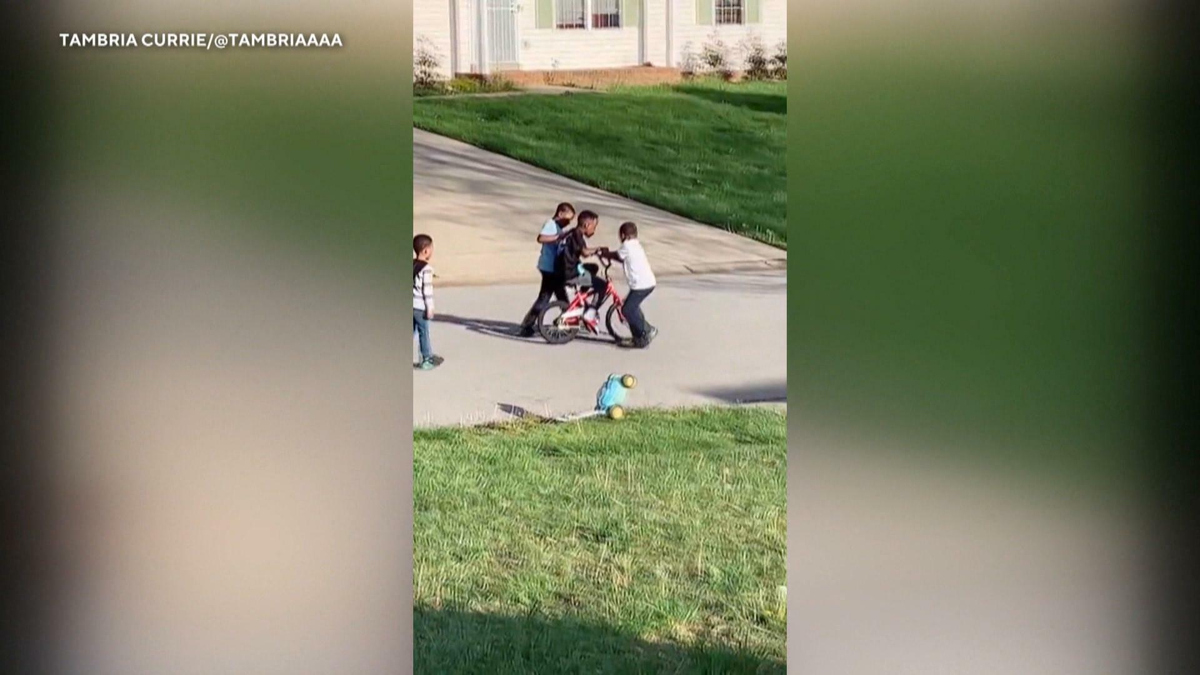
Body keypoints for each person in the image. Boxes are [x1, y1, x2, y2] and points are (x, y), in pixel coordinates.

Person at [518, 202, 575, 337]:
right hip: (549, 268)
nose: (568, 222)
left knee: (560, 298)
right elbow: (541, 238)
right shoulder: (551, 224)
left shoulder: (558, 227)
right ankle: (527, 325)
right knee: (545, 298)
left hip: (554, 268)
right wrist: (559, 237)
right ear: (560, 214)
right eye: (567, 219)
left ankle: (568, 321)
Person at [603, 222, 658, 348]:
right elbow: (621, 257)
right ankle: (638, 338)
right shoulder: (635, 244)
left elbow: (618, 255)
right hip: (645, 283)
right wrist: (607, 254)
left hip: (641, 285)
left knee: (627, 310)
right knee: (631, 308)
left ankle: (646, 331)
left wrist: (605, 253)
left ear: (623, 235)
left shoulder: (626, 245)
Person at [557, 210, 608, 320]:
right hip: (570, 272)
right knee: (602, 285)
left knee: (593, 267)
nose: (594, 230)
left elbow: (582, 253)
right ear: (586, 225)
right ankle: (591, 312)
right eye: (594, 227)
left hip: (565, 268)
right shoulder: (577, 235)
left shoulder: (571, 232)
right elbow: (585, 252)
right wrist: (599, 249)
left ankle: (581, 297)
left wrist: (596, 253)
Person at [413, 234, 443, 370]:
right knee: (423, 332)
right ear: (425, 251)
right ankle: (426, 359)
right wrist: (430, 308)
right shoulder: (426, 270)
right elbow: (427, 291)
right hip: (420, 307)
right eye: (431, 249)